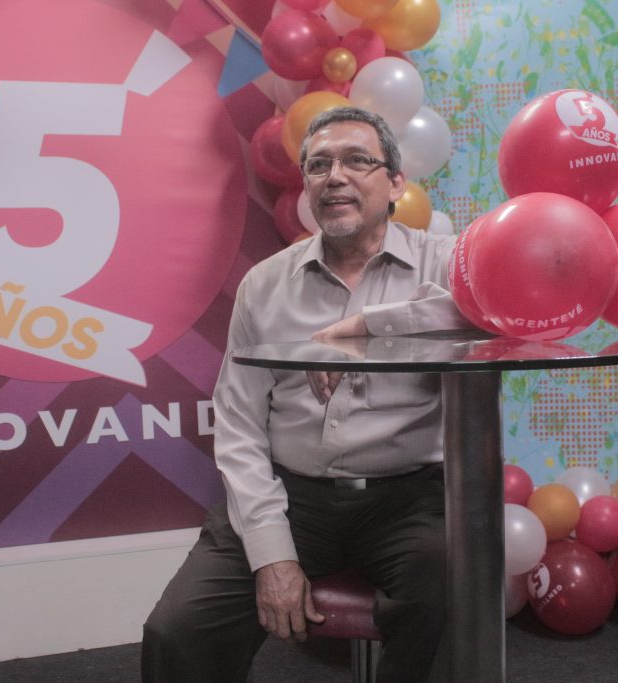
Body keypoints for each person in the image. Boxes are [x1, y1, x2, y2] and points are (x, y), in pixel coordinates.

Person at [141, 107, 468, 683]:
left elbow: (498, 318)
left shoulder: (448, 262)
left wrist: (368, 329)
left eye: (357, 160)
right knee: (179, 630)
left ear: (396, 183)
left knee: (446, 599)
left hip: (410, 500)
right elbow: (239, 425)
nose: (335, 176)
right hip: (294, 498)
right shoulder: (265, 284)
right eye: (319, 166)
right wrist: (273, 555)